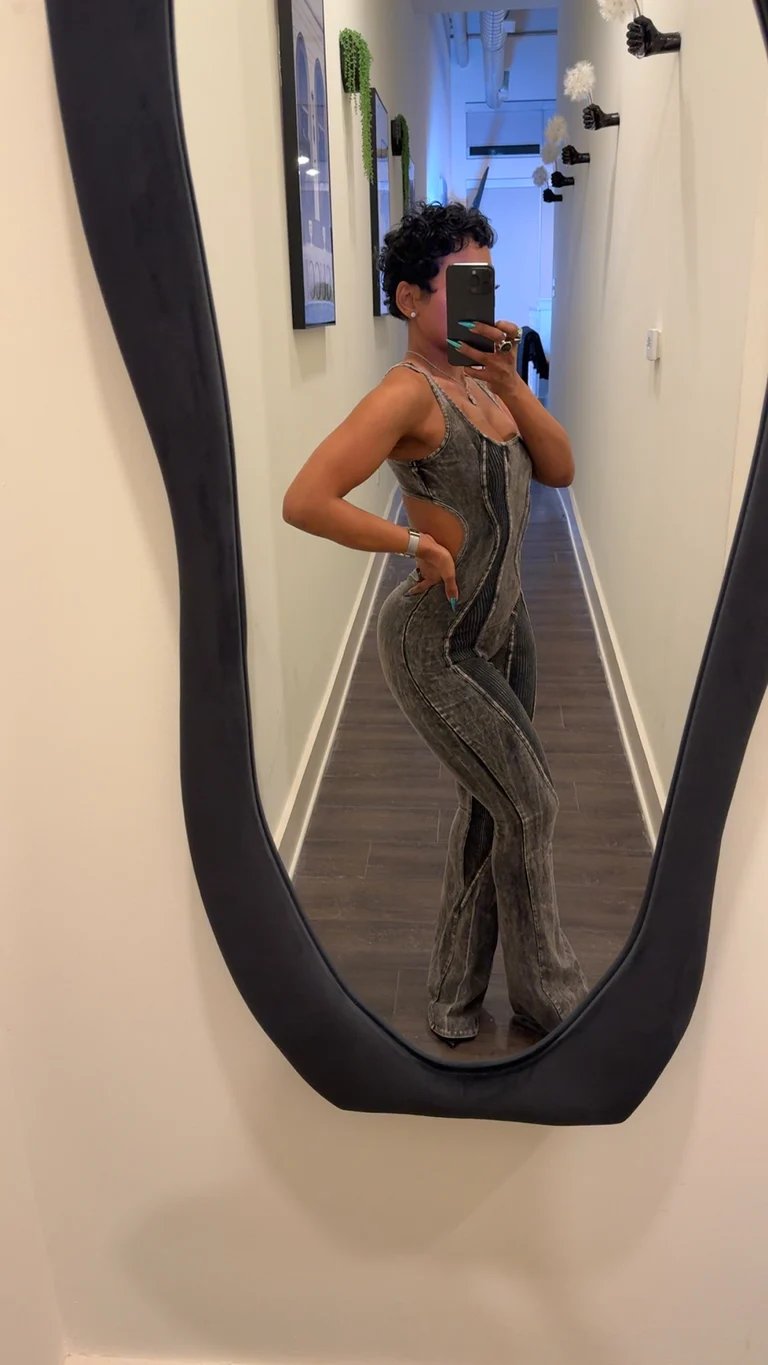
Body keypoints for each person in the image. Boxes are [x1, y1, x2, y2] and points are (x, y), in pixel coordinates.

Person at [283, 200, 588, 1046]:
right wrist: (410, 540)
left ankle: (456, 998)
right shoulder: (404, 395)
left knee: (493, 811)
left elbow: (560, 467)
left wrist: (511, 382)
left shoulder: (484, 384)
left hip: (508, 627)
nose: (482, 297)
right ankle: (554, 998)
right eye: (463, 283)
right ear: (411, 298)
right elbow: (306, 499)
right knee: (532, 805)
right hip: (439, 642)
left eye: (489, 279)